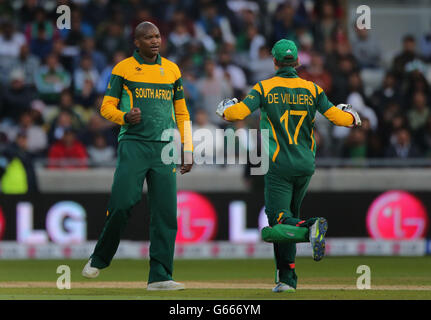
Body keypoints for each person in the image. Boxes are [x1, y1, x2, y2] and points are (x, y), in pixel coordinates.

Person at [215, 39, 361, 293]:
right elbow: (338, 119)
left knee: (276, 224)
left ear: (274, 61)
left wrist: (225, 110)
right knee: (287, 220)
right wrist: (353, 116)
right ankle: (287, 279)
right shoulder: (313, 89)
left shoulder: (264, 87)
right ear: (297, 62)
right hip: (305, 164)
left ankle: (310, 228)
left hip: (278, 164)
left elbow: (237, 114)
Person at [81, 22, 193, 291]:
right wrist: (124, 117)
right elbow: (106, 107)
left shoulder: (172, 70)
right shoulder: (123, 69)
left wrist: (187, 148)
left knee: (166, 213)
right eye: (148, 37)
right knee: (122, 203)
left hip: (165, 147)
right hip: (134, 143)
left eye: (157, 36)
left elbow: (182, 113)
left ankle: (160, 276)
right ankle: (100, 258)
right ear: (137, 42)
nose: (155, 41)